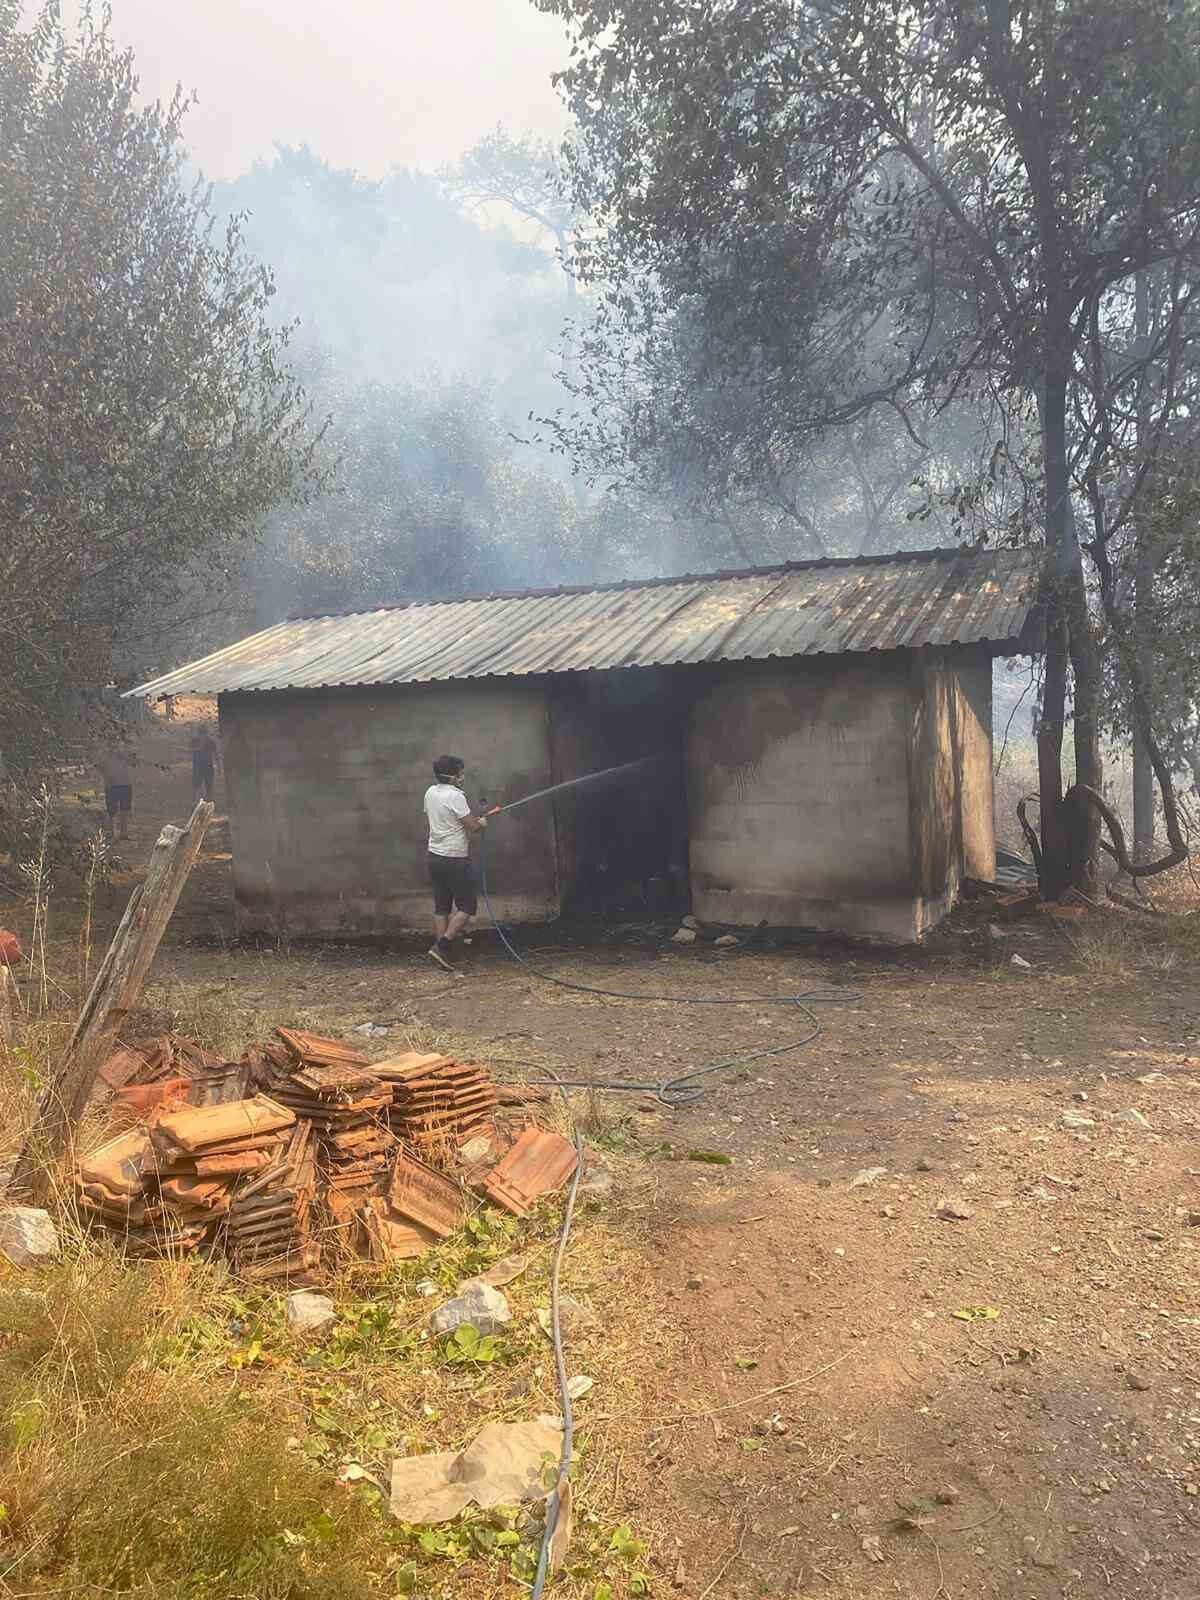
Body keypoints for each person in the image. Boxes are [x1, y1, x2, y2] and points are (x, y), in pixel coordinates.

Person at [423, 754, 487, 970]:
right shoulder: (456, 796)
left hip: (434, 856)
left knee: (442, 906)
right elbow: (473, 826)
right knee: (468, 906)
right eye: (460, 771)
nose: (462, 775)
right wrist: (481, 823)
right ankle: (443, 946)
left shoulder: (430, 792)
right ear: (452, 774)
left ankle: (442, 955)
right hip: (454, 858)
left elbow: (446, 819)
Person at [99, 749, 133, 841]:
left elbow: (132, 763)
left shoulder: (125, 752)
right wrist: (106, 777)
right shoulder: (106, 754)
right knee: (112, 810)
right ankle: (113, 833)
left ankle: (123, 833)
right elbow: (100, 767)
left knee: (124, 809)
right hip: (112, 784)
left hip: (124, 783)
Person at [190, 730, 219, 805]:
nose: (202, 736)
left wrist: (219, 767)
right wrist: (199, 747)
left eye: (203, 734)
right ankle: (196, 803)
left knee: (209, 786)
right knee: (197, 786)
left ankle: (209, 803)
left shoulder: (210, 742)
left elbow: (216, 755)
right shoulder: (195, 741)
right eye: (201, 734)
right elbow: (190, 750)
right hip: (198, 766)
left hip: (208, 766)